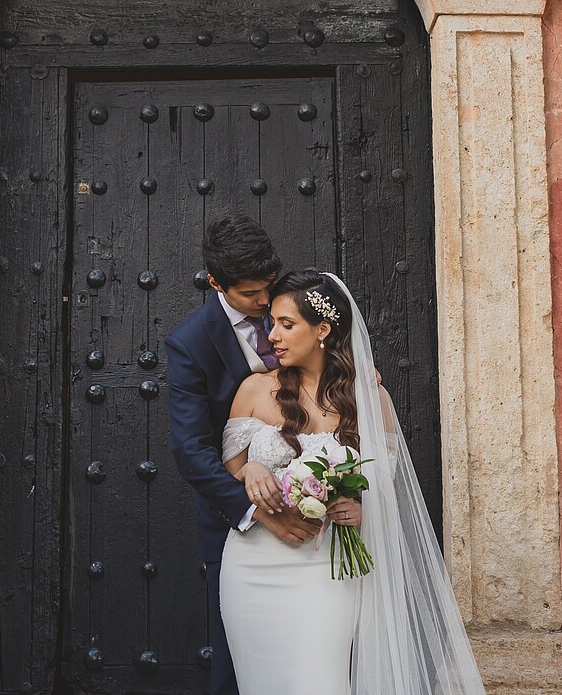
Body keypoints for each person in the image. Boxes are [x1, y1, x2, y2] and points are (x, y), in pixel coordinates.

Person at [217, 267, 489, 695]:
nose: (272, 336)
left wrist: (361, 508)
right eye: (272, 324)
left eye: (287, 325)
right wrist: (250, 469)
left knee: (319, 681)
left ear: (323, 329)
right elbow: (225, 473)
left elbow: (385, 484)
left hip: (326, 564)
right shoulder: (254, 389)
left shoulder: (369, 398)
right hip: (252, 564)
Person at [165, 216, 316, 695]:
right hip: (238, 528)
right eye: (252, 294)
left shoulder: (297, 306)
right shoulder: (189, 343)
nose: (266, 303)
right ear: (216, 283)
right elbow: (191, 451)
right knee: (239, 665)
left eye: (269, 288)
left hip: (320, 520)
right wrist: (255, 512)